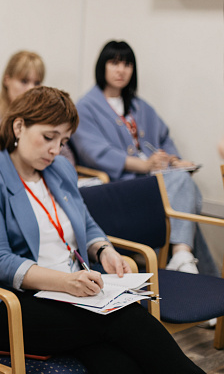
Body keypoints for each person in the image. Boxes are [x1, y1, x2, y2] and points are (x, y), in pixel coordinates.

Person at [0, 86, 203, 373]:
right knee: (125, 317)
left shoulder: (59, 169)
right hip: (7, 303)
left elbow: (85, 222)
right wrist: (66, 283)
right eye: (48, 137)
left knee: (118, 362)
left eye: (63, 141)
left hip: (68, 297)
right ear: (19, 127)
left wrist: (104, 250)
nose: (55, 149)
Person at [70, 40, 218, 276]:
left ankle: (183, 259)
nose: (121, 70)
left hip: (154, 182)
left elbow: (164, 137)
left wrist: (174, 162)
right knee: (183, 196)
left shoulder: (140, 106)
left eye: (127, 64)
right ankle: (196, 270)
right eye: (114, 63)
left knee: (181, 198)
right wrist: (145, 165)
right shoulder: (86, 107)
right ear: (102, 66)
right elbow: (94, 152)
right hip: (120, 186)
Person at [0, 50, 75, 179]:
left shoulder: (42, 119)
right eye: (24, 81)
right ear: (7, 80)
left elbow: (67, 160)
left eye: (37, 83)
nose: (31, 89)